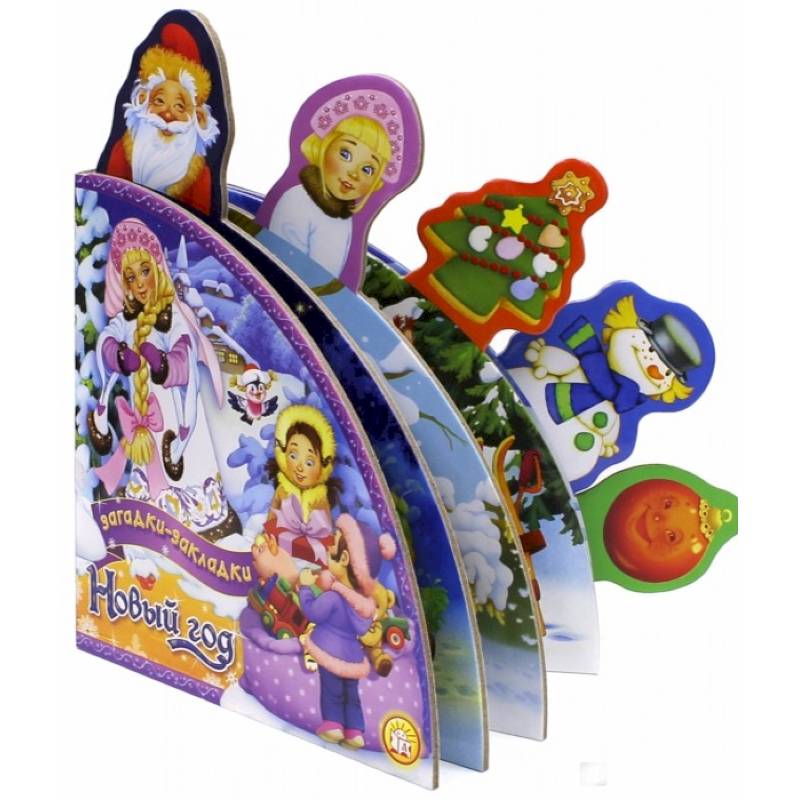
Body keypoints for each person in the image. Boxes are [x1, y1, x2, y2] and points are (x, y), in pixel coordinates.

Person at [89, 217, 239, 541]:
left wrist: (163, 364)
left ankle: (199, 522)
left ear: (157, 268)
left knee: (188, 469)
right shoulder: (127, 320)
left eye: (144, 271)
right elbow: (105, 341)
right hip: (144, 422)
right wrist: (118, 355)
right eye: (130, 277)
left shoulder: (174, 315)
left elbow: (186, 355)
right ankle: (152, 519)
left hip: (175, 420)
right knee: (149, 468)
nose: (140, 284)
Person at [267, 89, 405, 280]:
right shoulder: (297, 200)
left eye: (367, 169)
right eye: (345, 154)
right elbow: (282, 267)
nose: (354, 173)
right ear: (324, 148)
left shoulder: (343, 218)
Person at [298, 514, 397, 749]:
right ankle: (355, 732)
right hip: (353, 655)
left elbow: (312, 612)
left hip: (330, 651)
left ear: (343, 558)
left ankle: (333, 726)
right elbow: (363, 629)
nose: (328, 547)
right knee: (352, 695)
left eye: (333, 545)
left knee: (332, 690)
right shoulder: (363, 606)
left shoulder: (333, 597)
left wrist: (305, 588)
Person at [103, 22, 220, 215]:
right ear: (142, 100)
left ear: (197, 116)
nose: (167, 115)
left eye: (179, 106)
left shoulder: (200, 177)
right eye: (159, 101)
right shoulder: (121, 153)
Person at [264, 405, 342, 565]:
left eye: (309, 462)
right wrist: (267, 536)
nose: (300, 468)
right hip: (281, 547)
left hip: (310, 555)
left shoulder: (319, 498)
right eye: (293, 455)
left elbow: (327, 529)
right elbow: (271, 517)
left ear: (323, 466)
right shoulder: (283, 489)